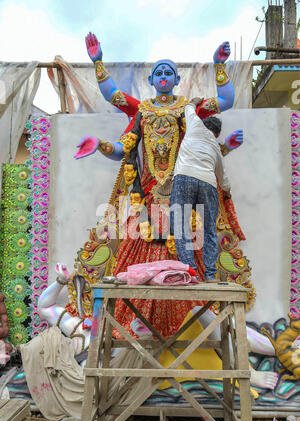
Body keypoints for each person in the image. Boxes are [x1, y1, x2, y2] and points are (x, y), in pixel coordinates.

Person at [73, 32, 244, 339]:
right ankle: (137, 330)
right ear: (152, 79)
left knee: (191, 250)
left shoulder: (187, 108)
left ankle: (191, 331)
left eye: (169, 72)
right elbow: (115, 107)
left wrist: (219, 66)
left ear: (176, 79)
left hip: (184, 193)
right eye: (159, 72)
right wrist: (98, 143)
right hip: (149, 198)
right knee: (138, 249)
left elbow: (226, 101)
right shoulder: (142, 109)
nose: (164, 76)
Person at [171, 101, 237, 282]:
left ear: (204, 123)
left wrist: (195, 102)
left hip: (184, 177)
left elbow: (188, 108)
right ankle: (209, 274)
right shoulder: (215, 146)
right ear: (216, 134)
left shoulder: (194, 124)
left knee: (180, 225)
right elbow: (222, 177)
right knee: (209, 229)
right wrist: (227, 191)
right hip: (208, 183)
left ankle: (190, 272)